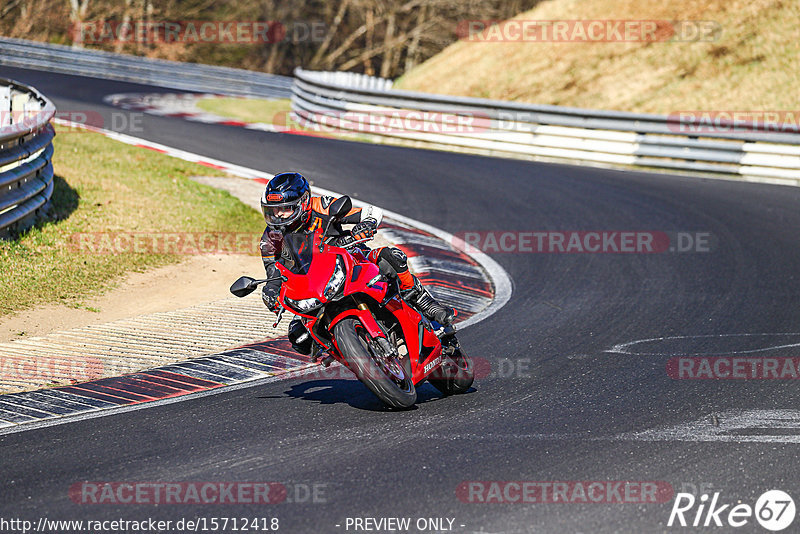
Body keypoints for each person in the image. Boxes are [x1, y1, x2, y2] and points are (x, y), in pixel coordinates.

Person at [258, 172, 455, 349]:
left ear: (304, 202)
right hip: (312, 285)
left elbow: (371, 212)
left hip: (350, 257)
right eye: (274, 210)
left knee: (390, 257)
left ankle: (423, 301)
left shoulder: (321, 205)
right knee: (298, 337)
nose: (279, 215)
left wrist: (367, 224)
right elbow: (273, 273)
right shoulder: (270, 239)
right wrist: (270, 292)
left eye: (285, 209)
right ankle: (340, 350)